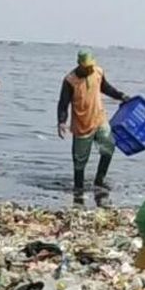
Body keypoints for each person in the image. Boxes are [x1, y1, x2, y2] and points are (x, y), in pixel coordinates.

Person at [57, 49, 130, 192]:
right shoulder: (70, 80)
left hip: (100, 120)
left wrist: (121, 96)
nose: (90, 69)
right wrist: (61, 122)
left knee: (108, 148)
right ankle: (78, 188)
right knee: (80, 161)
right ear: (80, 65)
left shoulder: (98, 72)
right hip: (82, 124)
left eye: (91, 66)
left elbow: (106, 88)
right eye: (87, 67)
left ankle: (99, 181)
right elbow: (63, 104)